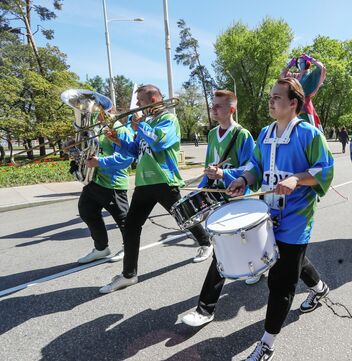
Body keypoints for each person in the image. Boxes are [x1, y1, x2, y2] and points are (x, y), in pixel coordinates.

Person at [181, 78, 334, 361]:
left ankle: (267, 343)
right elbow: (255, 166)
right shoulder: (264, 133)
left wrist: (296, 179)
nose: (271, 101)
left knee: (280, 281)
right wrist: (241, 179)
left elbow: (324, 171)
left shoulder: (310, 135)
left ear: (293, 103)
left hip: (297, 218)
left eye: (277, 97)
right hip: (266, 213)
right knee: (290, 260)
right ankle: (319, 288)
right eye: (271, 96)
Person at [99, 84, 211, 294]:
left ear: (152, 100)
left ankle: (205, 242)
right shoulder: (147, 121)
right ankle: (129, 275)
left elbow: (159, 143)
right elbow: (136, 150)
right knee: (132, 226)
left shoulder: (169, 119)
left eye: (140, 101)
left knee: (183, 217)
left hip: (163, 179)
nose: (137, 105)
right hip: (143, 182)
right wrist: (119, 140)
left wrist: (140, 125)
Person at [193, 90, 256, 274]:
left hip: (236, 193)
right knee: (223, 238)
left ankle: (254, 269)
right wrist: (201, 189)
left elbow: (250, 168)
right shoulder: (212, 134)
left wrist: (223, 173)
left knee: (243, 236)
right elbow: (209, 166)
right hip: (217, 194)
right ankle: (229, 268)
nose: (213, 109)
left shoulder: (242, 134)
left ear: (232, 109)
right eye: (213, 105)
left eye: (218, 106)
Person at [76, 112, 134, 264]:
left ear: (108, 112)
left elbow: (126, 159)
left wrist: (100, 162)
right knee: (86, 211)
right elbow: (92, 151)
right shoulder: (98, 130)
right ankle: (101, 249)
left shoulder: (120, 130)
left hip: (113, 183)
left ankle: (129, 248)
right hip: (95, 180)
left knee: (123, 220)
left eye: (97, 111)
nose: (94, 115)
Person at [281, 53, 326, 131]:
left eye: (302, 62)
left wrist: (311, 59)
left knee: (307, 130)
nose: (299, 64)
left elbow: (321, 68)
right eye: (298, 63)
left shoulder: (311, 76)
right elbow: (282, 76)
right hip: (293, 108)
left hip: (305, 108)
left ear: (306, 63)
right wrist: (289, 65)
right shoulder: (295, 76)